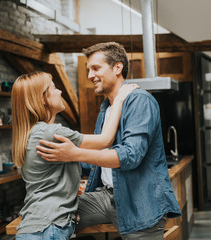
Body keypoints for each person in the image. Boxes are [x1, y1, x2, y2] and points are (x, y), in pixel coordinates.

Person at [36, 42, 181, 239]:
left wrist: (75, 153)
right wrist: (62, 161)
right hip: (104, 196)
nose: (90, 76)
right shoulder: (107, 109)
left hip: (139, 201)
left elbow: (130, 156)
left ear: (117, 68)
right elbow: (100, 159)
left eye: (96, 68)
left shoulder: (139, 100)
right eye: (88, 70)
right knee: (51, 216)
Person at [11, 71, 137, 239]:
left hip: (35, 227)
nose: (60, 92)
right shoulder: (51, 133)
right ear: (42, 100)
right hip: (49, 229)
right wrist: (119, 100)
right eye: (54, 88)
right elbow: (105, 140)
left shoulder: (33, 133)